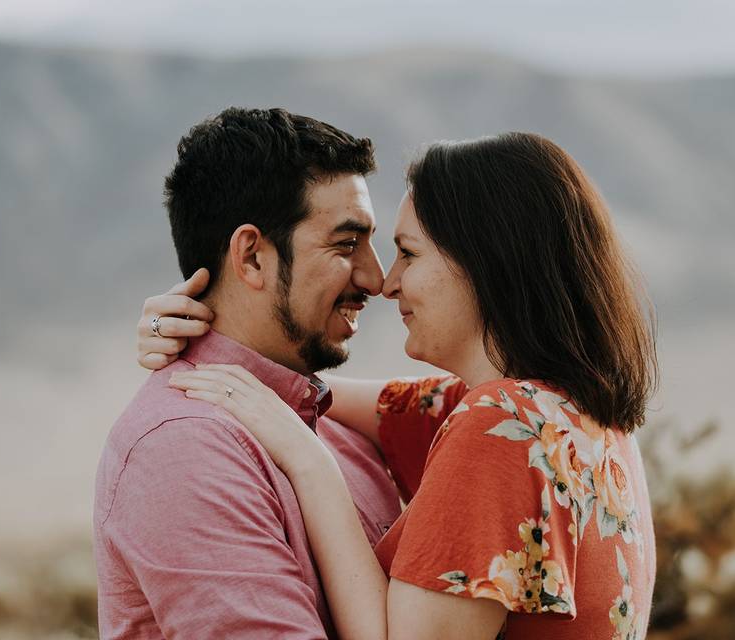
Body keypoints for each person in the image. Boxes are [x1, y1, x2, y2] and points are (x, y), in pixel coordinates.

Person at [139, 132, 659, 639]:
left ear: (485, 262)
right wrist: (198, 333)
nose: (386, 283)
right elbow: (316, 398)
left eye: (409, 253)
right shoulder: (576, 412)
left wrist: (313, 467)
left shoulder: (500, 428)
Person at [94, 107, 404, 639]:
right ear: (253, 257)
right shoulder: (185, 449)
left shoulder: (343, 431)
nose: (376, 279)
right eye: (346, 244)